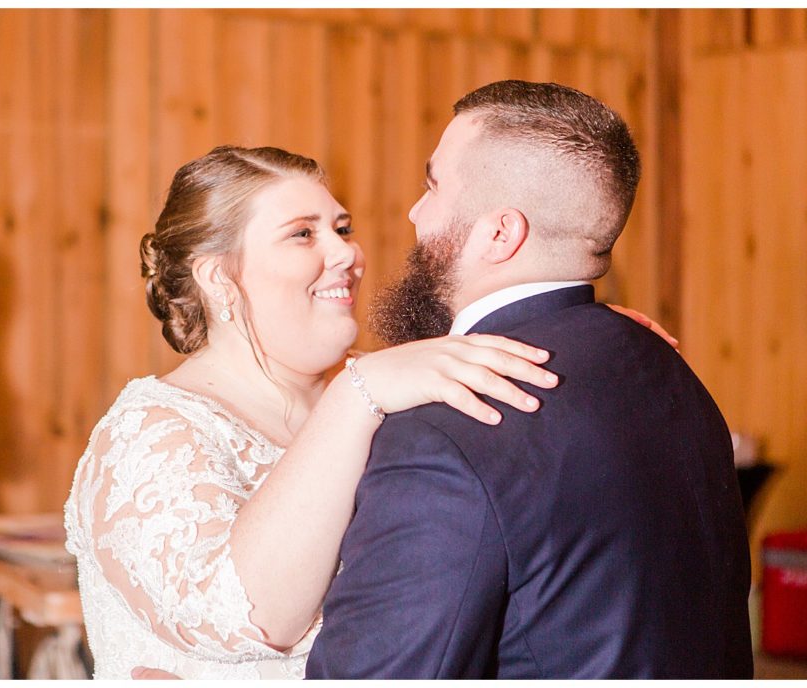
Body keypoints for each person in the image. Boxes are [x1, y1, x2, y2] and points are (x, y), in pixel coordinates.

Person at [64, 145, 566, 680]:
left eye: (342, 229)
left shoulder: (390, 384)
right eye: (303, 234)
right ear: (216, 277)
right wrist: (355, 395)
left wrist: (576, 345)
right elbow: (252, 616)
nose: (349, 254)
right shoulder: (149, 434)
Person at [304, 80, 753, 679]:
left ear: (500, 233)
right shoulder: (666, 367)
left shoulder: (448, 432)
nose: (414, 211)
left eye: (432, 186)